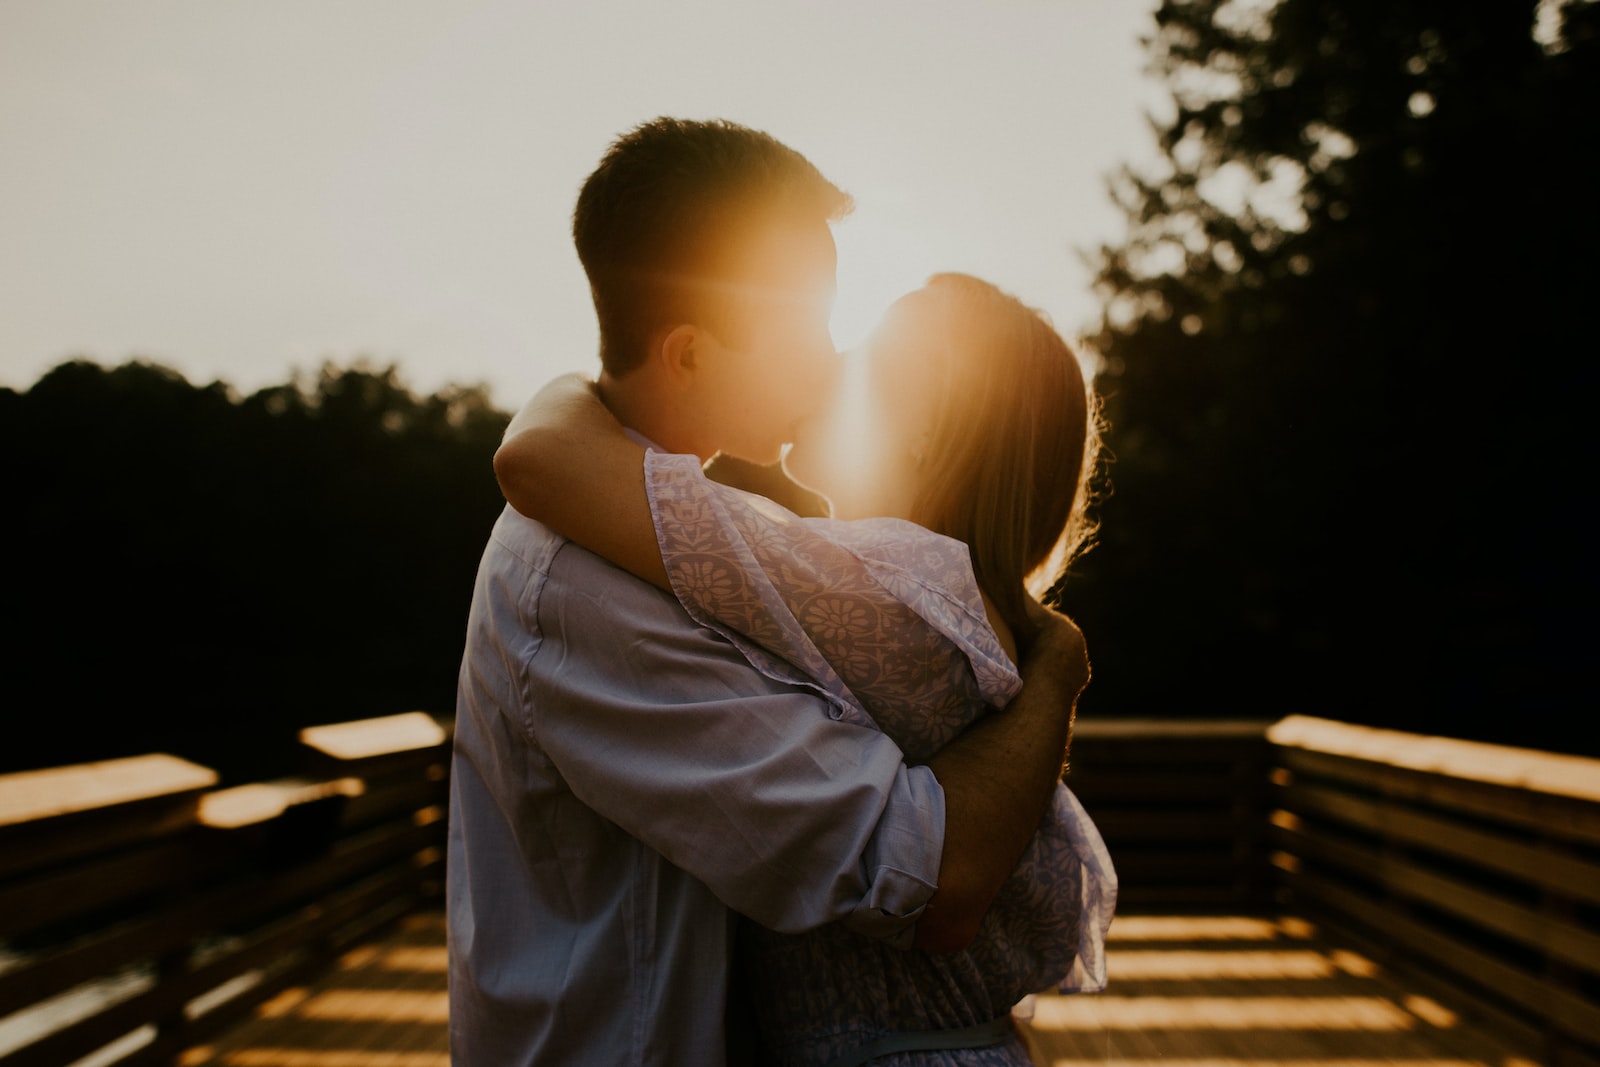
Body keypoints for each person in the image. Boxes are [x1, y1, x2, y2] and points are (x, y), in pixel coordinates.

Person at [447, 117, 1092, 1066]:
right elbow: (919, 867)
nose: (829, 361)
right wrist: (1059, 666)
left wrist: (552, 415)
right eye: (808, 325)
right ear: (693, 352)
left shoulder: (738, 554)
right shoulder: (584, 584)